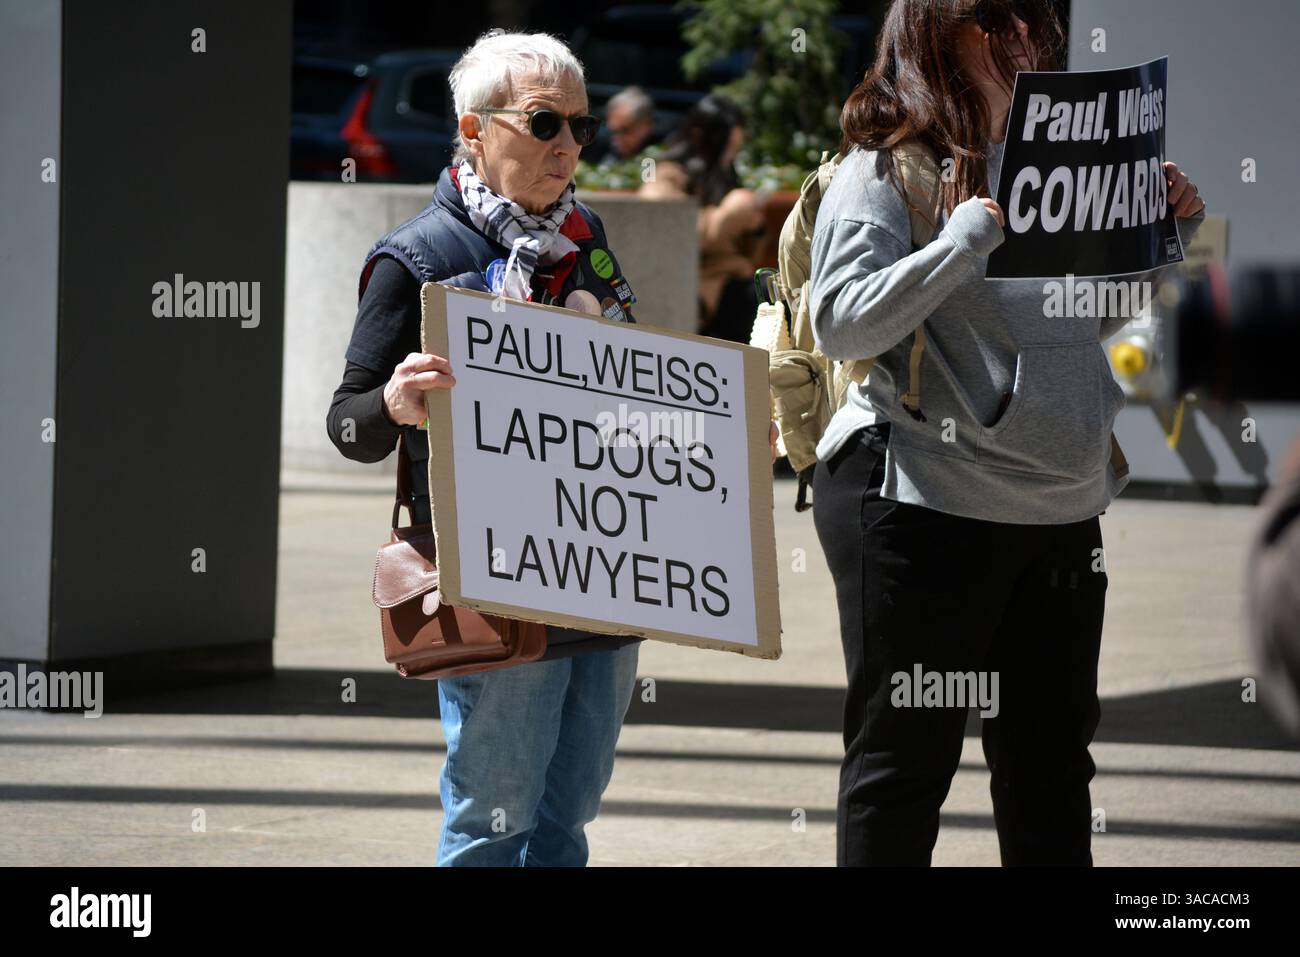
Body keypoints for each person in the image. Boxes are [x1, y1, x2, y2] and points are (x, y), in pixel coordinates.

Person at [808, 0, 1206, 866]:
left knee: (1051, 769)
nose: (1030, 36)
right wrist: (960, 242)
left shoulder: (1053, 168)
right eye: (999, 17)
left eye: (1035, 16)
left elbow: (1081, 325)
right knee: (905, 766)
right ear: (937, 36)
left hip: (1058, 506)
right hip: (922, 499)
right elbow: (838, 322)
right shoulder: (886, 169)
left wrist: (1160, 237)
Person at [326, 30, 643, 867]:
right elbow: (349, 423)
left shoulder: (587, 237)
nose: (569, 146)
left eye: (581, 126)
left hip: (605, 569)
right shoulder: (420, 258)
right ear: (474, 131)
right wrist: (396, 401)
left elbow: (639, 386)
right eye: (545, 123)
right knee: (492, 820)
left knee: (568, 815)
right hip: (498, 579)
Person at [639, 94, 766, 343]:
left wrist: (755, 228)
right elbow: (675, 236)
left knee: (766, 302)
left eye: (734, 149)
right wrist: (730, 214)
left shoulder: (724, 178)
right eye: (726, 147)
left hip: (728, 285)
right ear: (700, 136)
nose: (729, 157)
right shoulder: (665, 177)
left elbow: (750, 254)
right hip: (692, 293)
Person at [600, 85, 659, 162]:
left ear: (647, 125)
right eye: (613, 131)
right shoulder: (600, 147)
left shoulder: (662, 154)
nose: (616, 140)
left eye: (625, 130)